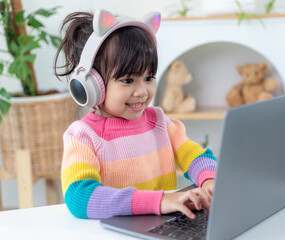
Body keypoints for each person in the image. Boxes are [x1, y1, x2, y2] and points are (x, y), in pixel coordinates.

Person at [54, 9, 217, 220]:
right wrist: (157, 201)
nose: (142, 91)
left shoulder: (160, 123)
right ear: (93, 84)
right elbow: (79, 197)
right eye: (128, 80)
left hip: (162, 227)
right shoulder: (83, 136)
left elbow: (197, 156)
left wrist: (210, 180)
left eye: (149, 77)